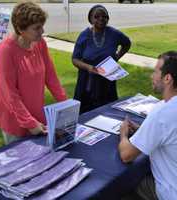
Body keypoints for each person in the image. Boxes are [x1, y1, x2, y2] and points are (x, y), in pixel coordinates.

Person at [0, 2, 67, 144]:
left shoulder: (40, 43)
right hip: (14, 119)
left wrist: (66, 105)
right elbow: (9, 94)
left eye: (42, 26)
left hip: (37, 113)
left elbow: (51, 76)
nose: (42, 31)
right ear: (21, 29)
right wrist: (29, 123)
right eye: (37, 28)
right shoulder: (5, 51)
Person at [118, 51, 177, 200]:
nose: (152, 76)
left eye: (155, 71)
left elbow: (127, 155)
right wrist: (142, 130)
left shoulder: (162, 112)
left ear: (167, 78)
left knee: (123, 184)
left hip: (170, 192)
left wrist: (123, 134)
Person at [72, 4, 131, 113]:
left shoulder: (114, 33)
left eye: (104, 16)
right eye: (97, 16)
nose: (101, 19)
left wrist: (116, 58)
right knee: (86, 114)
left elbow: (127, 43)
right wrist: (88, 67)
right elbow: (75, 59)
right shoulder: (84, 35)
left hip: (107, 80)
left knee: (108, 113)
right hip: (87, 82)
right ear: (90, 19)